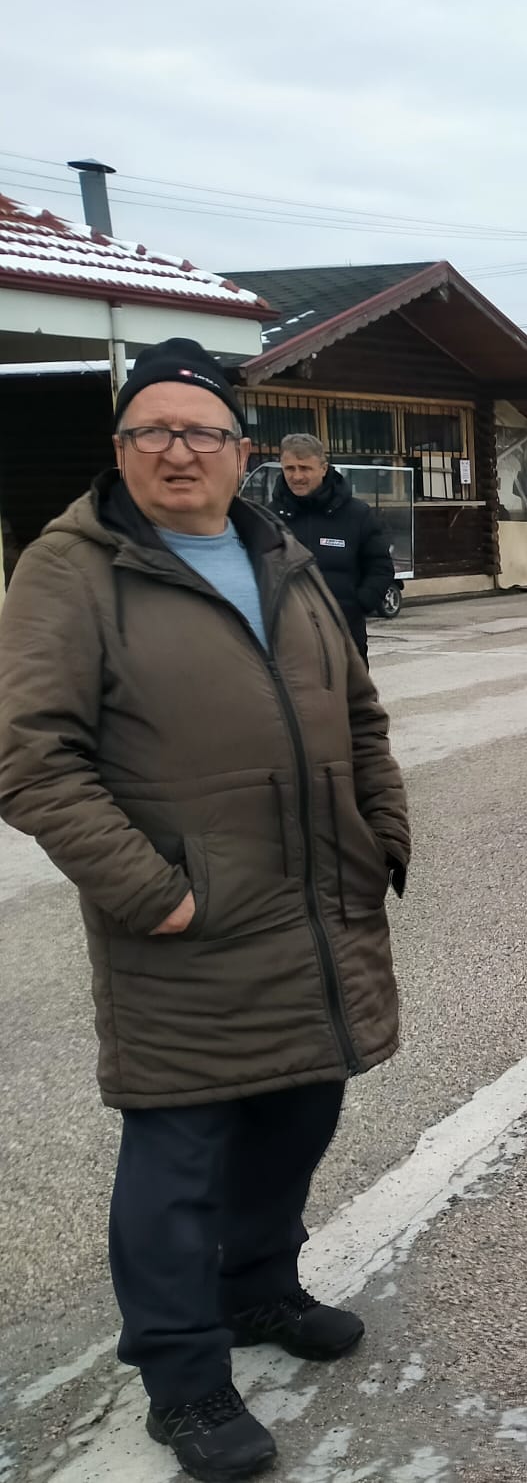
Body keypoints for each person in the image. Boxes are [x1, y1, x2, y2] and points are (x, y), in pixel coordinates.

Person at [0, 338, 409, 1480]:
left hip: (317, 906)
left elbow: (357, 714)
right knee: (180, 1153)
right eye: (155, 431)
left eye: (204, 432)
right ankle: (182, 1380)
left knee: (296, 1116)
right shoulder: (71, 569)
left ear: (242, 454)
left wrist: (384, 837)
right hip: (184, 924)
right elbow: (30, 759)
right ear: (121, 450)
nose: (181, 451)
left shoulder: (275, 549)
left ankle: (259, 1290)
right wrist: (153, 892)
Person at [268, 433, 395, 662]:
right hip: (287, 641)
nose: (297, 476)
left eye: (305, 468)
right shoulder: (269, 518)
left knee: (351, 699)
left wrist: (358, 605)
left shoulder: (357, 515)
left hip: (344, 637)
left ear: (323, 468)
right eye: (290, 468)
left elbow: (381, 567)